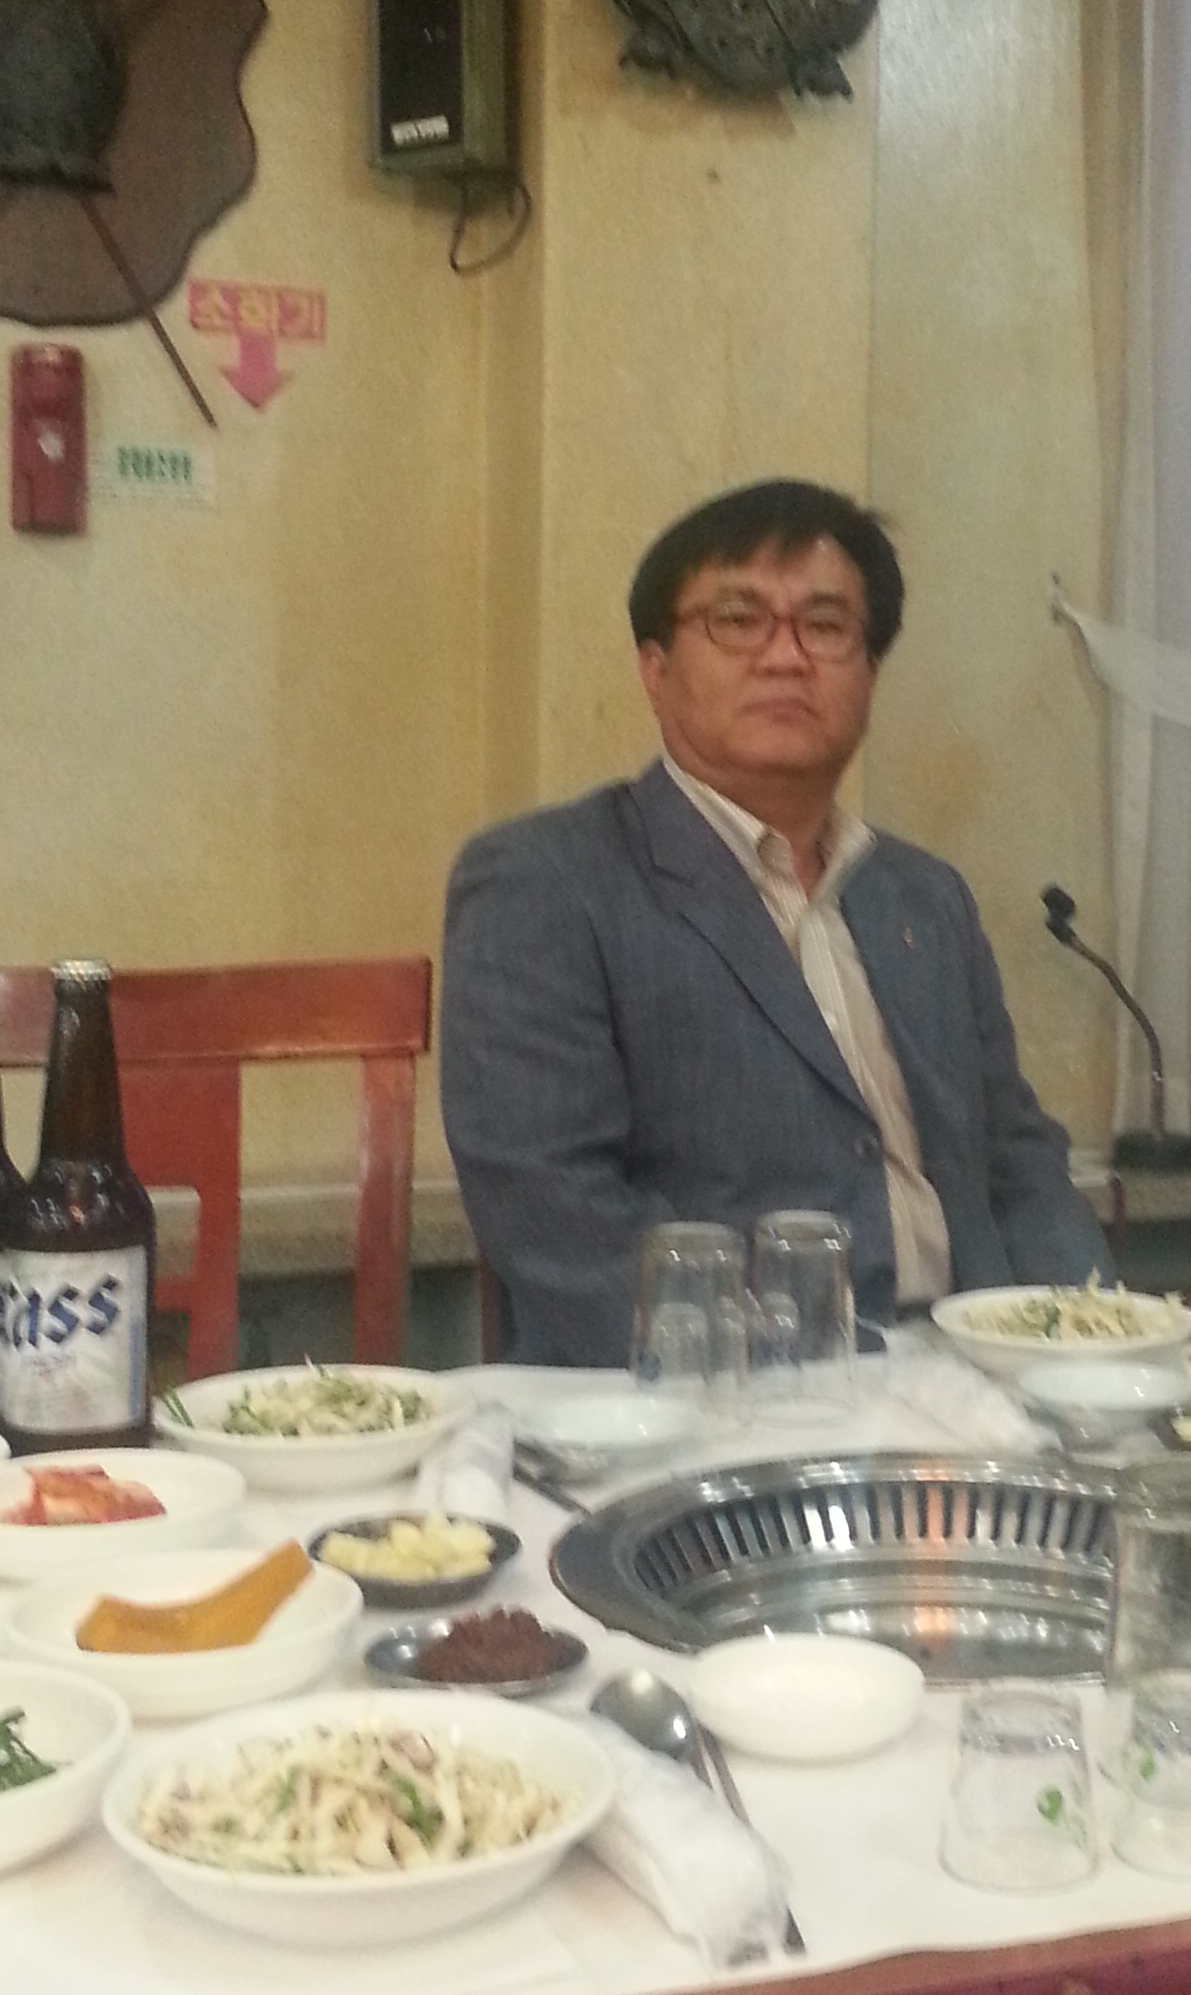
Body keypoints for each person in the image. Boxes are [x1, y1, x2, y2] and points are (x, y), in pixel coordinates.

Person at [441, 477, 1113, 1364]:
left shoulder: (925, 898)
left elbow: (1018, 1161)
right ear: (655, 669)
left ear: (870, 673)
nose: (786, 656)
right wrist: (827, 1369)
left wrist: (1091, 1341)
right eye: (738, 619)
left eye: (825, 626)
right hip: (722, 1396)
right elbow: (552, 1210)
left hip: (984, 1376)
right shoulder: (548, 883)